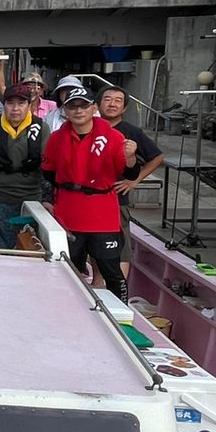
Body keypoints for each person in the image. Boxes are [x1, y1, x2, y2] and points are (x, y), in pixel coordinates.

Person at [41, 87, 130, 300]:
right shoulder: (56, 138)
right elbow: (48, 172)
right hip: (69, 214)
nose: (78, 110)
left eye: (84, 105)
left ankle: (122, 312)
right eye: (72, 106)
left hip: (103, 215)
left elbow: (127, 170)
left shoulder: (114, 137)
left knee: (111, 271)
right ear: (66, 110)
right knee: (67, 270)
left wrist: (132, 160)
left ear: (94, 108)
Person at [97, 86, 164, 281]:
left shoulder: (131, 132)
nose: (112, 104)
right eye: (107, 99)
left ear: (124, 108)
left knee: (120, 248)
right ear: (98, 104)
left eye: (117, 100)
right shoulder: (89, 127)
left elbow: (157, 157)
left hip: (116, 200)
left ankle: (119, 291)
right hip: (88, 200)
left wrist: (135, 179)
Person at [0, 83, 51, 249]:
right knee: (3, 248)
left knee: (33, 247)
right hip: (1, 199)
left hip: (34, 199)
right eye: (10, 103)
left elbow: (48, 166)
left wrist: (48, 200)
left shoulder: (42, 129)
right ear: (4, 105)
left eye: (21, 103)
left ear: (29, 105)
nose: (15, 108)